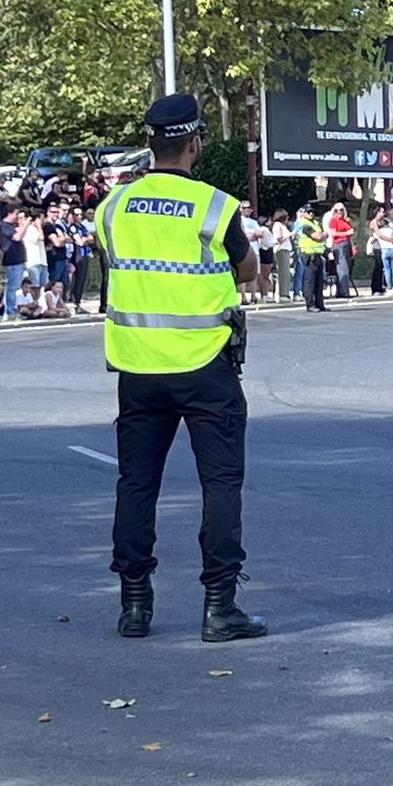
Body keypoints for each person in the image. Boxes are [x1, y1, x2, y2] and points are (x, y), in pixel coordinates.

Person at [95, 92, 265, 643]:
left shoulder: (113, 208)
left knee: (136, 483)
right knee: (220, 484)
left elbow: (116, 266)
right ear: (195, 144)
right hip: (204, 367)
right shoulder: (215, 207)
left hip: (138, 367)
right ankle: (219, 609)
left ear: (151, 144)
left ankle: (135, 607)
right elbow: (246, 272)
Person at [297, 204, 329, 312]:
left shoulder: (315, 223)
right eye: (308, 211)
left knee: (319, 281)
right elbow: (318, 236)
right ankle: (310, 305)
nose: (311, 213)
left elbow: (323, 235)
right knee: (309, 281)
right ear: (304, 213)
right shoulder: (304, 224)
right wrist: (322, 235)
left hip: (317, 254)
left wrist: (322, 235)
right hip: (308, 255)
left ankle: (320, 304)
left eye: (312, 211)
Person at [0, 205, 28, 319]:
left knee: (15, 286)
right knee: (12, 286)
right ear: (9, 213)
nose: (17, 216)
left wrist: (22, 225)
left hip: (18, 260)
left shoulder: (12, 226)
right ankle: (9, 310)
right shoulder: (5, 226)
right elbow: (17, 237)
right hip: (12, 261)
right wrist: (25, 225)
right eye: (16, 214)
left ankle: (10, 308)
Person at [238, 200, 264, 304]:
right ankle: (243, 297)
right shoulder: (238, 221)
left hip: (255, 250)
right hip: (243, 250)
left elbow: (260, 233)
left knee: (255, 274)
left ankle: (254, 296)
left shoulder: (254, 222)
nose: (247, 209)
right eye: (244, 208)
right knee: (243, 275)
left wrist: (251, 235)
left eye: (248, 207)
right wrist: (251, 235)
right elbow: (243, 235)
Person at [326, 202, 354, 298]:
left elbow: (350, 234)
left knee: (346, 267)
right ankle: (344, 292)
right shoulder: (333, 220)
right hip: (339, 244)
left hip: (346, 244)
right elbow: (334, 234)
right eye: (336, 210)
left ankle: (341, 291)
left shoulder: (345, 220)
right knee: (343, 268)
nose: (339, 212)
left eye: (341, 210)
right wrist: (346, 233)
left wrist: (352, 245)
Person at [269, 210, 295, 303]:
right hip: (281, 249)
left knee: (286, 272)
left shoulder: (283, 226)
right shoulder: (277, 225)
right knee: (283, 272)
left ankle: (285, 293)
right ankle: (283, 294)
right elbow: (278, 238)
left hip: (286, 249)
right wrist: (289, 235)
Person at [372, 208, 393, 295]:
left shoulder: (382, 222)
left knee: (385, 268)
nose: (382, 214)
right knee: (379, 267)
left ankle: (385, 286)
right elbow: (378, 234)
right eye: (381, 212)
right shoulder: (374, 222)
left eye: (383, 212)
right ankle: (376, 288)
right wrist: (389, 239)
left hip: (384, 246)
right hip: (378, 246)